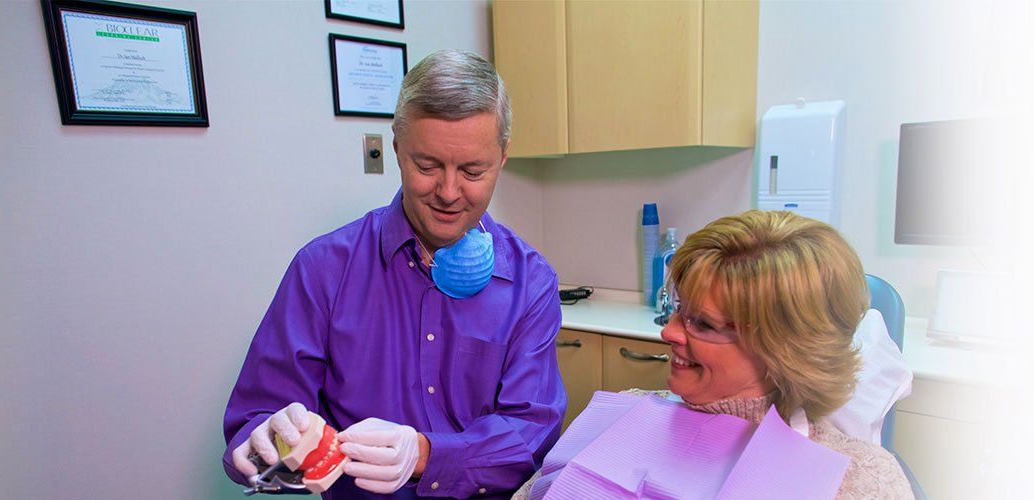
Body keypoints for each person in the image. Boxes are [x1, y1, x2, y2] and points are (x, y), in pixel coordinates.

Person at [222, 49, 565, 499]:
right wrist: (267, 441)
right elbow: (253, 422)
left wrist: (426, 454)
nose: (448, 192)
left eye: (472, 170)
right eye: (427, 166)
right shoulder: (323, 270)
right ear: (398, 147)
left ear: (502, 158)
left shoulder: (529, 282)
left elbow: (532, 432)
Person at [513, 210, 913, 499]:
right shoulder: (624, 412)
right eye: (676, 310)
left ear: (783, 351)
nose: (668, 333)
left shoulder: (858, 479)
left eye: (701, 323)